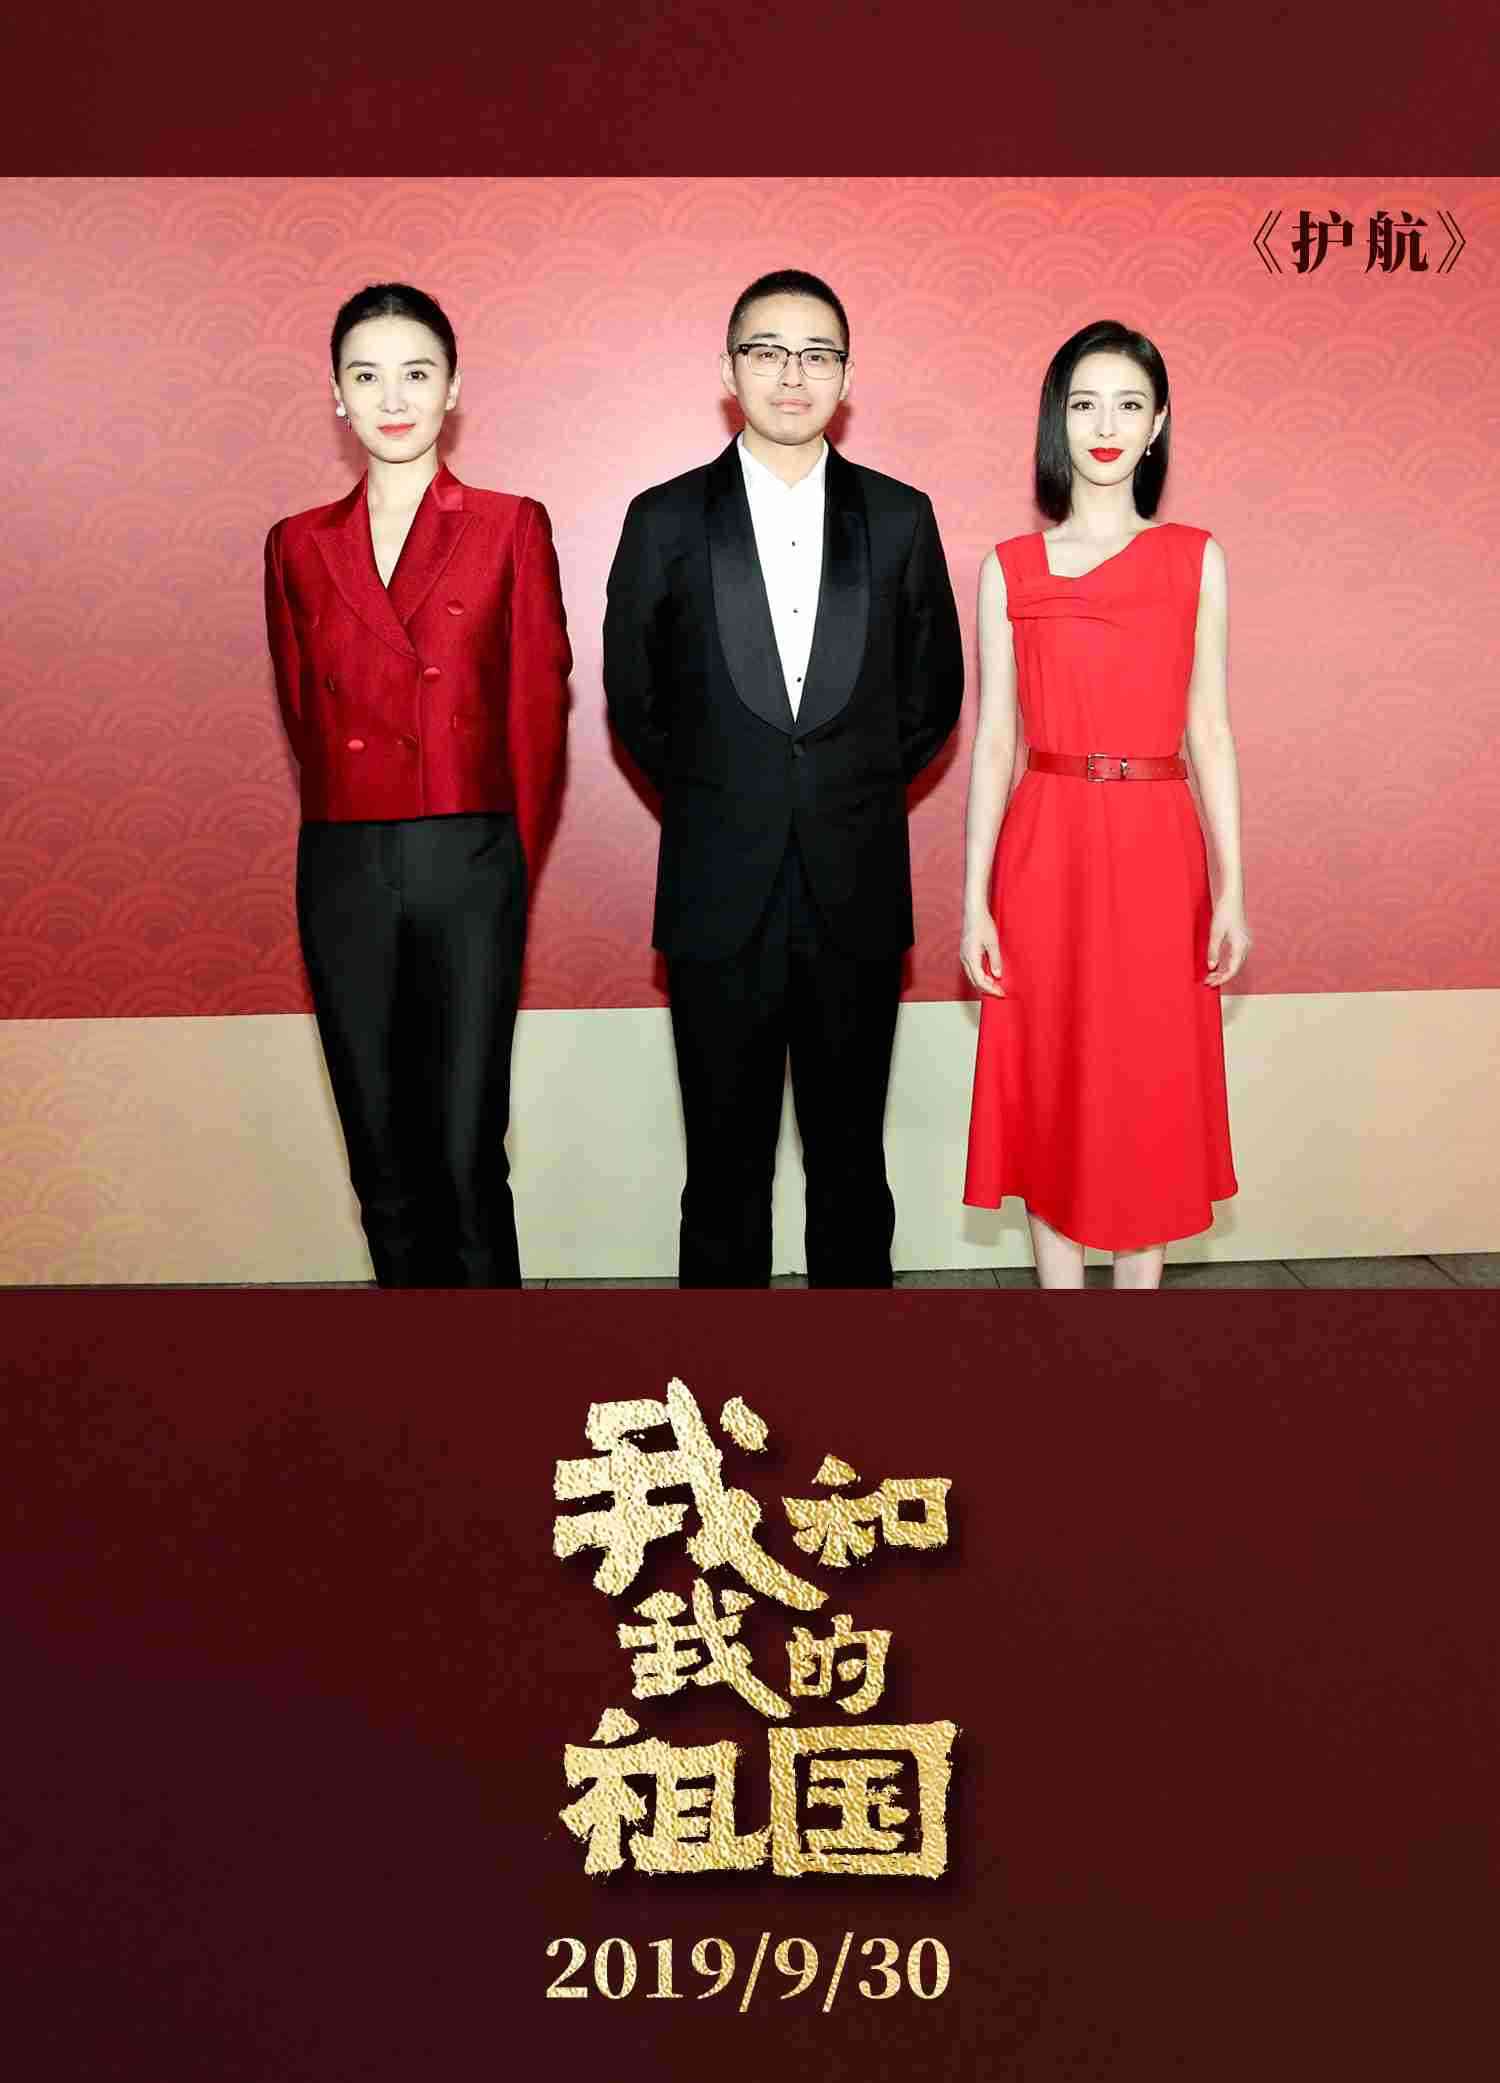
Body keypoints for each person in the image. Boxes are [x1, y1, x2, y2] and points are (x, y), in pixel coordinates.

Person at [604, 268, 964, 1288]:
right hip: (717, 891)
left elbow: (933, 695)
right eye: (767, 352)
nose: (792, 375)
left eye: (817, 355)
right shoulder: (664, 519)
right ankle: (725, 1376)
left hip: (856, 888)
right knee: (724, 1171)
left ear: (847, 377)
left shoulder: (900, 517)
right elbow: (636, 700)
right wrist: (732, 791)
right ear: (729, 371)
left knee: (851, 1166)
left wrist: (842, 786)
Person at [264, 283, 570, 1287]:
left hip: (471, 861)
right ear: (336, 396)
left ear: (453, 389)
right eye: (366, 375)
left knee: (467, 1150)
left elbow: (536, 718)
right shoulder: (296, 543)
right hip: (343, 864)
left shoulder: (509, 525)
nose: (392, 398)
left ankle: (494, 1371)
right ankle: (409, 1373)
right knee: (380, 1159)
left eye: (416, 373)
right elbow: (305, 717)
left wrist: (502, 860)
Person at [961, 319, 1248, 1290]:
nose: (1106, 426)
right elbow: (994, 743)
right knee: (1053, 1079)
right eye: (1085, 404)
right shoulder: (1008, 566)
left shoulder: (1197, 558)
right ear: (1058, 419)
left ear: (1158, 422)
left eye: (1129, 404)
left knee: (1146, 1088)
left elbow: (1210, 730)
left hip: (1159, 848)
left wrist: (1233, 886)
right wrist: (974, 901)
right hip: (1045, 846)